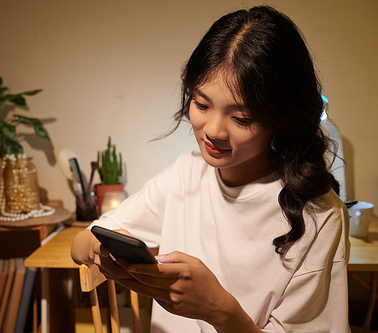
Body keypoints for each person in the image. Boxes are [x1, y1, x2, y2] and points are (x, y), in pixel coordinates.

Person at [71, 5, 350, 333]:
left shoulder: (319, 215)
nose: (214, 130)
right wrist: (99, 247)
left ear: (281, 117)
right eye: (202, 104)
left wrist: (221, 311)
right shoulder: (186, 174)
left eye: (242, 118)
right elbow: (81, 243)